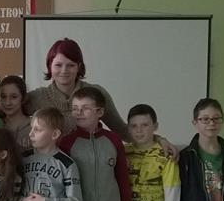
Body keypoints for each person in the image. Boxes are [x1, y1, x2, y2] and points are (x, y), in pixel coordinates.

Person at [25, 37, 178, 158]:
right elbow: (12, 117)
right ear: (49, 66)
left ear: (79, 66)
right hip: (51, 174)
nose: (64, 70)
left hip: (91, 170)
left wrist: (158, 140)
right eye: (58, 65)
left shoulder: (96, 93)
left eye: (70, 65)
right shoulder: (37, 97)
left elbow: (123, 131)